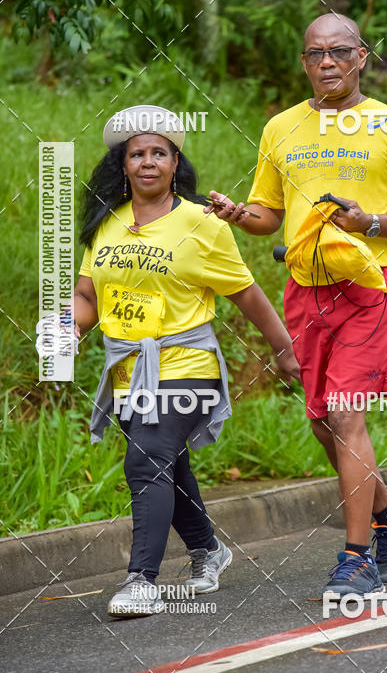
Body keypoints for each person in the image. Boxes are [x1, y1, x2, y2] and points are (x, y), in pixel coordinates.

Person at [206, 14, 387, 599]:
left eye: (339, 52)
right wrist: (240, 215)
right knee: (320, 419)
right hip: (305, 286)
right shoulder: (281, 128)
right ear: (304, 62)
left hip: (370, 287)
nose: (328, 63)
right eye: (316, 54)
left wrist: (372, 222)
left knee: (345, 415)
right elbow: (266, 217)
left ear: (361, 56)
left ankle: (356, 559)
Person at [40, 104, 299, 618]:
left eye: (160, 152)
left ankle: (142, 581)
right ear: (124, 165)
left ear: (176, 163)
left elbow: (246, 294)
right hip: (128, 368)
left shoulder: (202, 223)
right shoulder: (107, 225)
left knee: (145, 461)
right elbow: (89, 297)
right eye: (137, 154)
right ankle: (208, 550)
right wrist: (63, 330)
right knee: (166, 464)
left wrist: (285, 350)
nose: (148, 161)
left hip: (188, 363)